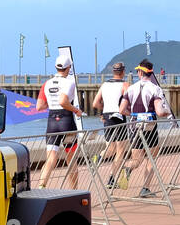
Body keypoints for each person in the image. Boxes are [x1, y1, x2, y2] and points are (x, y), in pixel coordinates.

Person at [121, 60, 172, 199]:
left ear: (139, 72)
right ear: (151, 72)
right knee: (151, 158)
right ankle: (145, 188)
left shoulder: (130, 88)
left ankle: (127, 167)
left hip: (134, 126)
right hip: (149, 127)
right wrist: (167, 113)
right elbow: (160, 112)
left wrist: (132, 114)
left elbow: (121, 109)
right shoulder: (155, 88)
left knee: (136, 159)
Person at [36, 54, 83, 188]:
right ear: (69, 67)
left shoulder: (47, 83)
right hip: (67, 121)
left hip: (52, 121)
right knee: (71, 159)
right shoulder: (69, 82)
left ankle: (41, 185)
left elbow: (39, 106)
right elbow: (63, 101)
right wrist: (76, 110)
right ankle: (73, 190)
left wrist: (51, 103)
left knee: (51, 157)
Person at [91, 61, 129, 188]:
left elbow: (95, 103)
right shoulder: (125, 85)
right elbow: (130, 102)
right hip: (119, 116)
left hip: (107, 116)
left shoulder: (105, 85)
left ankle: (98, 158)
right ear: (123, 72)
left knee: (110, 149)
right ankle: (112, 179)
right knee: (120, 151)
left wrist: (104, 110)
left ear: (113, 72)